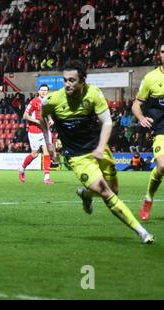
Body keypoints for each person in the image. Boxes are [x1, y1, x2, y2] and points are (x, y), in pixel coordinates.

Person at [40, 59, 154, 244]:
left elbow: (107, 122)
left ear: (83, 80)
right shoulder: (53, 100)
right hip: (77, 156)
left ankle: (86, 195)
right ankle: (142, 232)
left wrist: (101, 148)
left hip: (99, 148)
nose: (67, 84)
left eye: (72, 80)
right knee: (105, 192)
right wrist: (49, 144)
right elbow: (42, 118)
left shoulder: (93, 94)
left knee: (114, 190)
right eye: (65, 80)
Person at [132, 42, 164, 221]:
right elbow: (136, 104)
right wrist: (141, 118)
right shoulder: (151, 78)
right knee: (162, 166)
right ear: (159, 55)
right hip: (161, 130)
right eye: (162, 51)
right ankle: (149, 198)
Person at [18, 84, 54, 185]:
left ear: (48, 92)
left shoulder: (48, 101)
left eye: (46, 90)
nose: (44, 92)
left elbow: (48, 113)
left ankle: (46, 177)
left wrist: (51, 120)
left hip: (45, 131)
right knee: (35, 154)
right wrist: (37, 121)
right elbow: (25, 116)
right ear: (38, 91)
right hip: (34, 132)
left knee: (47, 153)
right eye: (42, 90)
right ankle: (21, 168)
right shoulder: (34, 102)